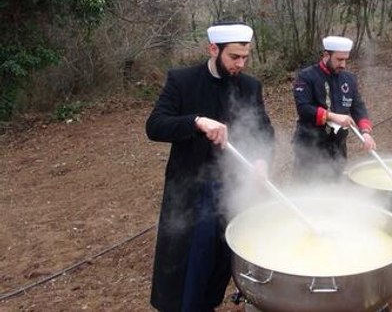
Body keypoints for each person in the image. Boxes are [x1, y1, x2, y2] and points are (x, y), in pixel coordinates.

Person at [145, 22, 275, 312]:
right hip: (192, 189)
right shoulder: (183, 81)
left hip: (234, 189)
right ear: (213, 49)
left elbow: (264, 130)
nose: (240, 64)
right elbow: (154, 126)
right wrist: (197, 121)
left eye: (245, 57)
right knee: (190, 265)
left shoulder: (250, 86)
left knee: (221, 259)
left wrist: (261, 160)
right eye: (234, 57)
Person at [292, 36, 376, 182]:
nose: (343, 64)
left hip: (337, 146)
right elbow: (304, 109)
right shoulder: (306, 76)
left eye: (345, 59)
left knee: (335, 186)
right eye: (339, 59)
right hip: (310, 145)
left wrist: (366, 132)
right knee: (308, 187)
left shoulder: (349, 79)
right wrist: (333, 116)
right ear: (326, 55)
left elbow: (358, 106)